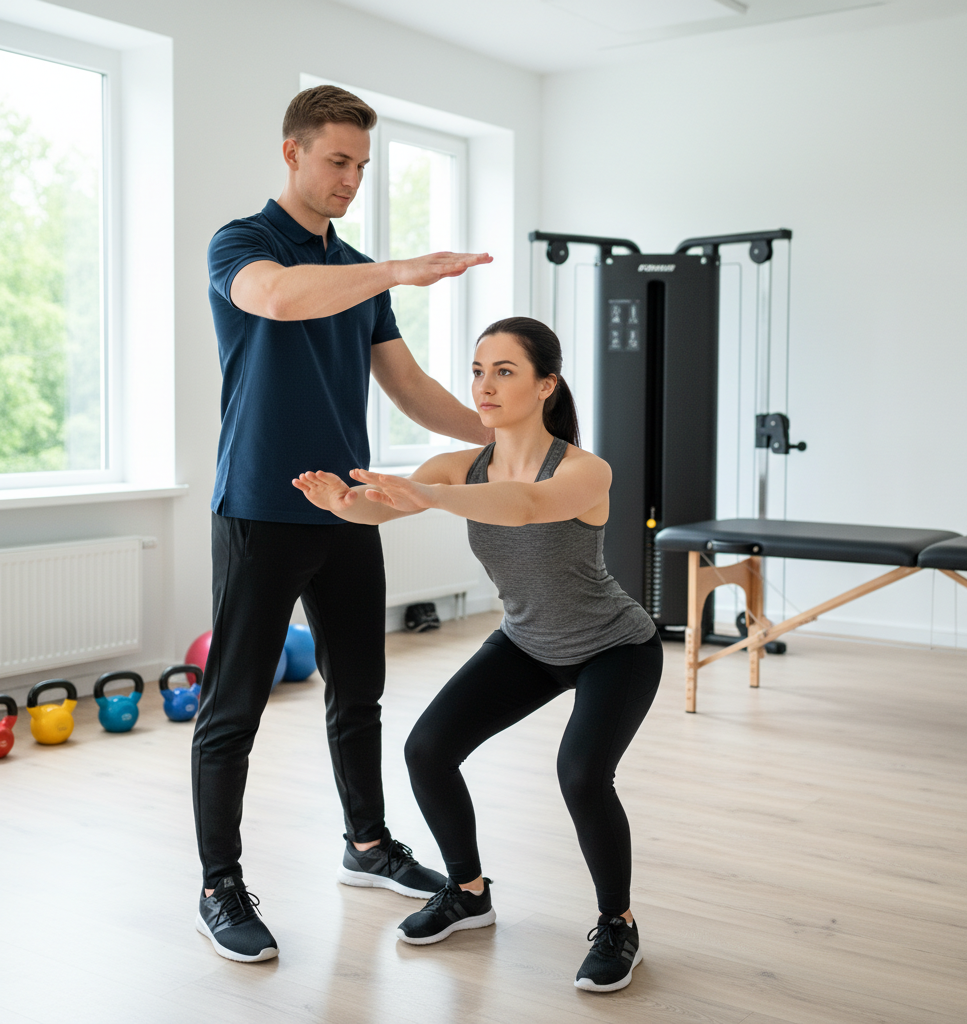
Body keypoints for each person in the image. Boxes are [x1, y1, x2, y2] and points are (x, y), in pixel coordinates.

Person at [194, 84, 493, 964]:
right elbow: (279, 299)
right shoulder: (241, 245)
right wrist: (399, 269)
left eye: (362, 166)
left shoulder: (359, 269)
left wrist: (506, 434)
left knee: (357, 687)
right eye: (338, 160)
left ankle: (367, 844)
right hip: (260, 505)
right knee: (233, 708)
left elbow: (408, 388)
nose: (352, 179)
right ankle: (219, 883)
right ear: (291, 152)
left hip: (349, 507)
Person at [293, 317, 663, 993]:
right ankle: (468, 892)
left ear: (547, 385)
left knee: (582, 775)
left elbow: (523, 506)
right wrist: (344, 504)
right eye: (476, 370)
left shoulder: (584, 470)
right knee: (427, 749)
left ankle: (619, 924)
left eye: (504, 371)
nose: (483, 385)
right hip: (527, 641)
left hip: (616, 647)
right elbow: (383, 507)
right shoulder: (459, 465)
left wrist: (431, 494)